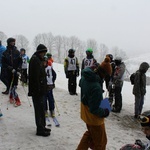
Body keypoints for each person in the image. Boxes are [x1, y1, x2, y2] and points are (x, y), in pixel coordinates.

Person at [77, 61, 112, 150]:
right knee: (101, 142)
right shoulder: (96, 87)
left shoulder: (86, 76)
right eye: (106, 75)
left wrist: (94, 93)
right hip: (94, 118)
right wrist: (105, 111)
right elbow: (94, 109)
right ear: (103, 73)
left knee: (90, 135)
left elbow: (81, 83)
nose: (106, 78)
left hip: (85, 112)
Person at [28, 44, 51, 137]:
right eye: (43, 52)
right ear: (39, 52)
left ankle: (42, 126)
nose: (44, 54)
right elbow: (35, 77)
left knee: (42, 109)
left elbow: (41, 73)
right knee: (39, 110)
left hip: (41, 89)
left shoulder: (38, 60)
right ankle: (40, 129)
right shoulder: (35, 60)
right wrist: (37, 89)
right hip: (37, 90)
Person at [1, 38, 22, 106]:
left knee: (14, 86)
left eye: (14, 42)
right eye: (12, 42)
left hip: (16, 72)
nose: (13, 43)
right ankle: (11, 97)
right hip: (8, 72)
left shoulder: (17, 52)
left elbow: (20, 61)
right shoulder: (5, 53)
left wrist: (19, 69)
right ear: (9, 43)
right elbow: (3, 63)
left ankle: (17, 99)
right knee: (10, 86)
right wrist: (9, 68)